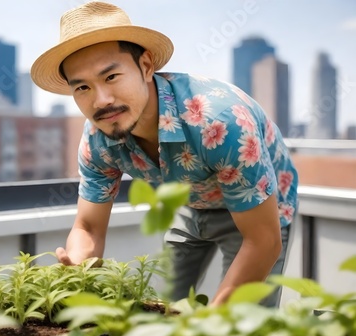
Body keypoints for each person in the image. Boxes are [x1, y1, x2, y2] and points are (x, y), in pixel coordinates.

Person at [30, 1, 298, 307]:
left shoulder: (220, 122)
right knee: (163, 310)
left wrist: (215, 322)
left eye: (111, 77)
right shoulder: (97, 139)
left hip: (258, 208)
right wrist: (77, 267)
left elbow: (263, 240)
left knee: (244, 323)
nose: (101, 101)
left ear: (145, 66)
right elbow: (88, 228)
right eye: (83, 88)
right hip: (188, 201)